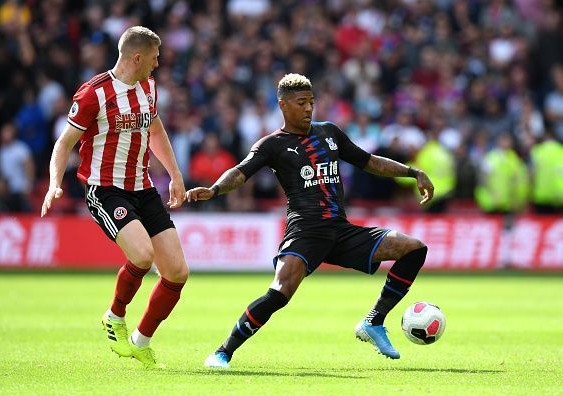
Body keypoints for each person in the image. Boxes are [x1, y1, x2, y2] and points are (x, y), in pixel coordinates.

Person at [186, 74, 435, 368]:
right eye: (301, 103)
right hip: (305, 231)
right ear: (283, 105)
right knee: (280, 293)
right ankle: (223, 352)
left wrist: (412, 172)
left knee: (413, 248)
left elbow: (370, 161)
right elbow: (241, 172)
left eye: (311, 102)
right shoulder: (272, 145)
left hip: (340, 230)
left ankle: (374, 321)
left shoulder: (329, 132)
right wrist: (214, 190)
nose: (308, 108)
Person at [41, 26, 189, 369]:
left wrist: (176, 175)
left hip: (143, 187)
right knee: (141, 254)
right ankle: (115, 315)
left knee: (178, 272)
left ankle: (141, 341)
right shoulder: (93, 94)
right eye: (154, 58)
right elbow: (64, 144)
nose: (157, 65)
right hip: (105, 188)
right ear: (137, 58)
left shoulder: (148, 87)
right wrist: (53, 184)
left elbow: (156, 130)